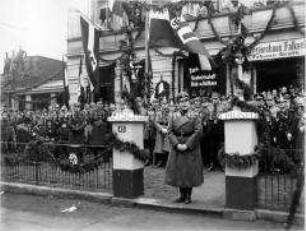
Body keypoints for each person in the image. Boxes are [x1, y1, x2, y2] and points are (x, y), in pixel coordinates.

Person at [165, 92, 203, 204]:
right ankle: (181, 195)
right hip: (177, 145)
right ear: (178, 104)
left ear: (189, 103)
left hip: (190, 146)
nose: (184, 104)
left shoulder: (195, 115)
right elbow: (170, 131)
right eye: (181, 102)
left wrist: (187, 145)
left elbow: (198, 131)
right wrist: (176, 144)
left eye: (186, 101)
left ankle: (188, 196)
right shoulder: (173, 116)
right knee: (178, 171)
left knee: (189, 170)